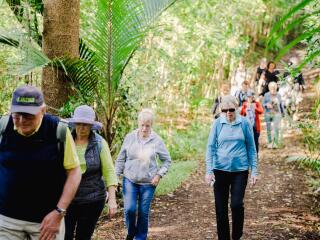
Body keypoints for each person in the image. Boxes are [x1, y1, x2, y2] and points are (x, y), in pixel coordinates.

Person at [0, 85, 81, 240]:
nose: (22, 121)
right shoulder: (3, 127)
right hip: (6, 221)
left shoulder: (59, 131)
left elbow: (74, 172)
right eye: (17, 115)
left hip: (46, 222)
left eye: (28, 115)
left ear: (43, 110)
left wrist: (59, 212)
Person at [205, 95, 258, 240]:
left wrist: (254, 171)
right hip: (219, 170)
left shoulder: (245, 123)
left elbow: (251, 149)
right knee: (221, 208)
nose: (228, 112)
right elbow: (210, 147)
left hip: (240, 171)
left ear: (237, 108)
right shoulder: (217, 123)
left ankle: (236, 236)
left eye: (231, 109)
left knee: (236, 204)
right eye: (225, 110)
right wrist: (209, 171)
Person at [115, 109, 171, 240]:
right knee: (129, 210)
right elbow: (120, 159)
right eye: (142, 125)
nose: (144, 129)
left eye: (148, 125)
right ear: (138, 123)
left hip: (148, 182)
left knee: (143, 213)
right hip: (130, 180)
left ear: (151, 125)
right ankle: (131, 232)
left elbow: (167, 160)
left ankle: (140, 238)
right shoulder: (130, 137)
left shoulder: (157, 140)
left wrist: (158, 175)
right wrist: (115, 177)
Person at [64, 105, 118, 240]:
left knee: (83, 236)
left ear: (91, 126)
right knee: (65, 236)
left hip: (92, 200)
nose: (81, 128)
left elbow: (110, 172)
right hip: (67, 200)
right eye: (79, 124)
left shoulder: (99, 143)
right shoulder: (65, 141)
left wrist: (112, 200)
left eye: (85, 125)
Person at [240, 91, 264, 155]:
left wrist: (254, 108)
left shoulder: (257, 103)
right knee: (247, 141)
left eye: (251, 97)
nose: (249, 99)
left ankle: (255, 156)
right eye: (248, 97)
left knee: (255, 141)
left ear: (253, 98)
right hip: (247, 126)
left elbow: (261, 111)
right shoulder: (245, 104)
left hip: (255, 126)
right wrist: (246, 110)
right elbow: (242, 114)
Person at [263, 82, 284, 149]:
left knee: (276, 128)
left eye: (274, 88)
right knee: (269, 128)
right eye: (271, 88)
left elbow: (281, 105)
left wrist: (283, 113)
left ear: (276, 88)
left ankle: (275, 143)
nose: (273, 89)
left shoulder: (278, 95)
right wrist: (266, 105)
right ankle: (269, 142)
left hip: (277, 113)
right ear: (269, 88)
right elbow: (263, 104)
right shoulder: (266, 95)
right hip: (268, 113)